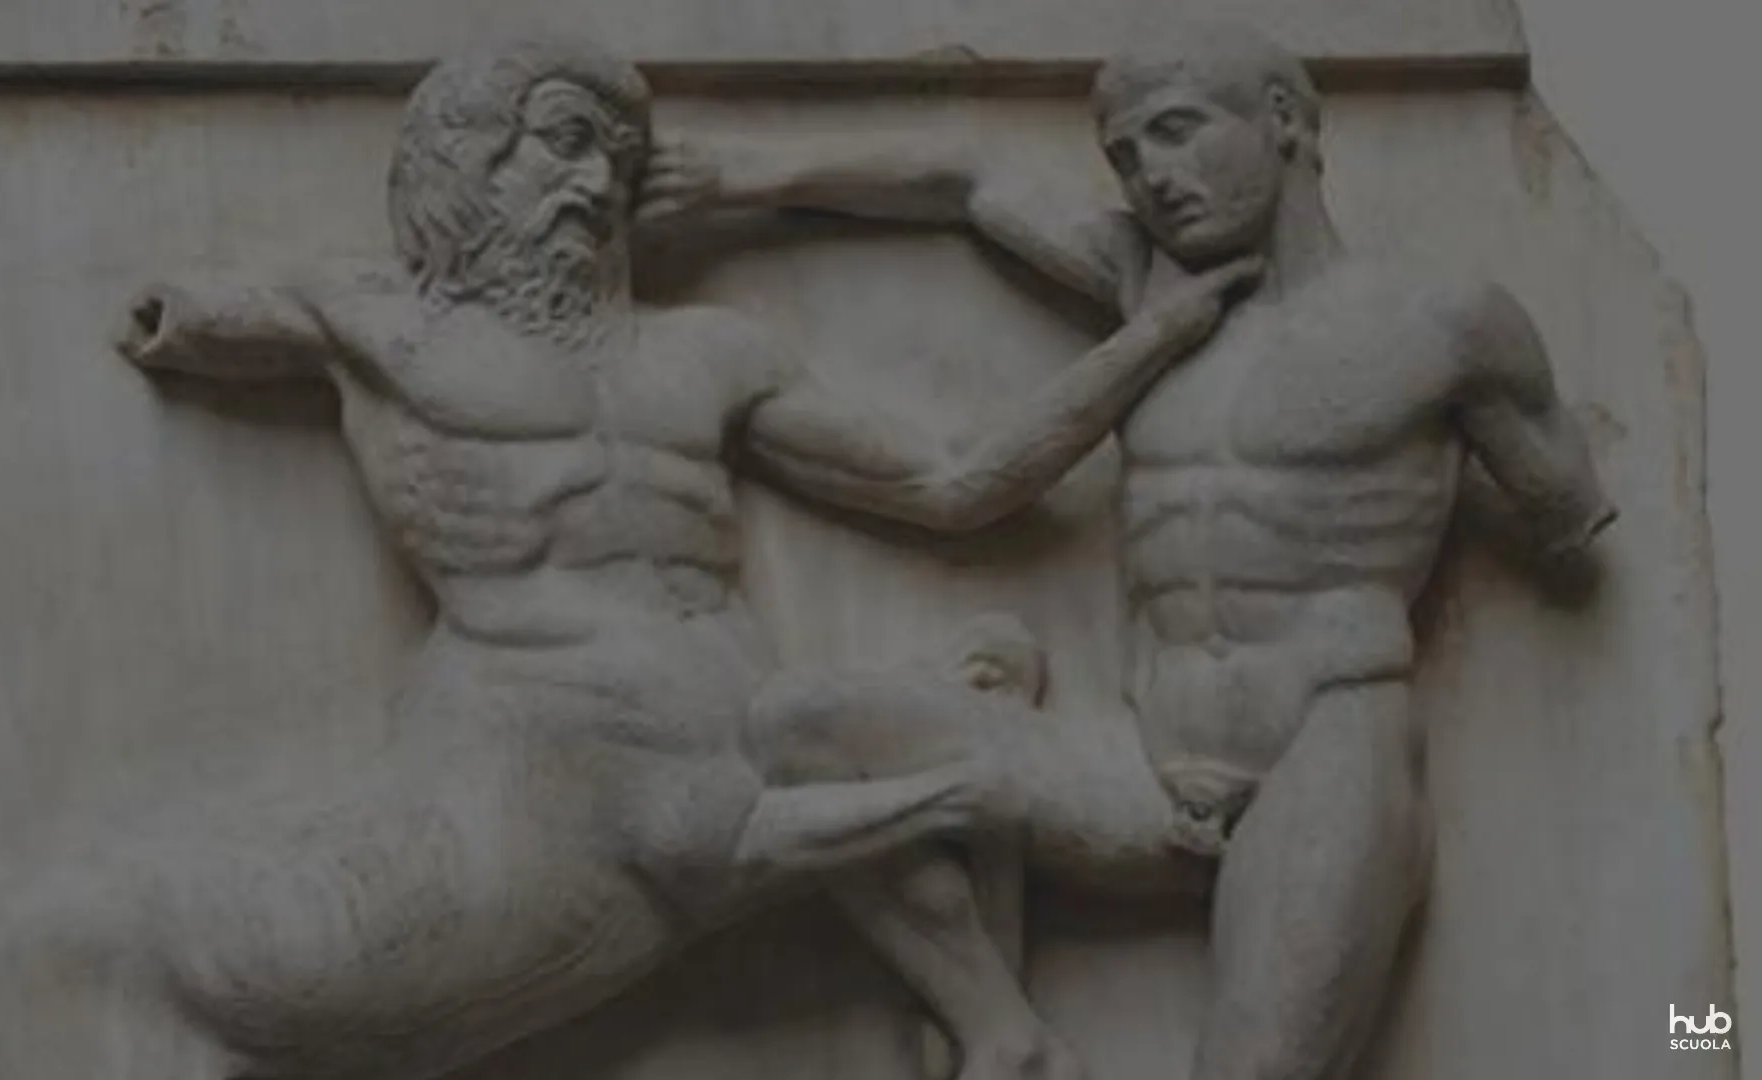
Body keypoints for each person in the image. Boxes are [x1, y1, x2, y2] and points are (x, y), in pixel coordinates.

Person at [0, 34, 1254, 1080]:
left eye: (617, 159)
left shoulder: (710, 356)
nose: (597, 184)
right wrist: (183, 314)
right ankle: (1032, 910)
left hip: (704, 723)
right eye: (563, 145)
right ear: (468, 162)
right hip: (535, 724)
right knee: (885, 723)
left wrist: (1150, 340)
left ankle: (1004, 1012)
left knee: (895, 698)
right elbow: (195, 313)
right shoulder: (374, 323)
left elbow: (956, 484)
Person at [669, 19, 1617, 1080]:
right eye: (1124, 156)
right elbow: (965, 181)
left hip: (1322, 752)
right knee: (805, 727)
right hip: (1141, 758)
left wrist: (1535, 488)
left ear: (1285, 120)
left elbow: (1570, 515)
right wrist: (742, 174)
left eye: (1175, 131)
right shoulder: (1144, 283)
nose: (1151, 177)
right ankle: (1003, 1031)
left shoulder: (1445, 322)